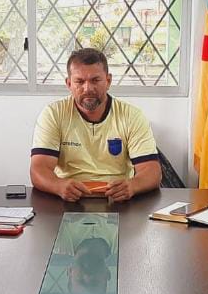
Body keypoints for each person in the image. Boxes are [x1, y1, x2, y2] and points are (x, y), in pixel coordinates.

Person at [30, 48, 162, 202]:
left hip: (118, 200)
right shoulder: (54, 114)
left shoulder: (131, 115)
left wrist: (132, 186)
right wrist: (58, 186)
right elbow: (38, 169)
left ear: (108, 81)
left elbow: (152, 171)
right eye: (79, 81)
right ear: (69, 83)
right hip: (68, 199)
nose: (88, 89)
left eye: (95, 80)